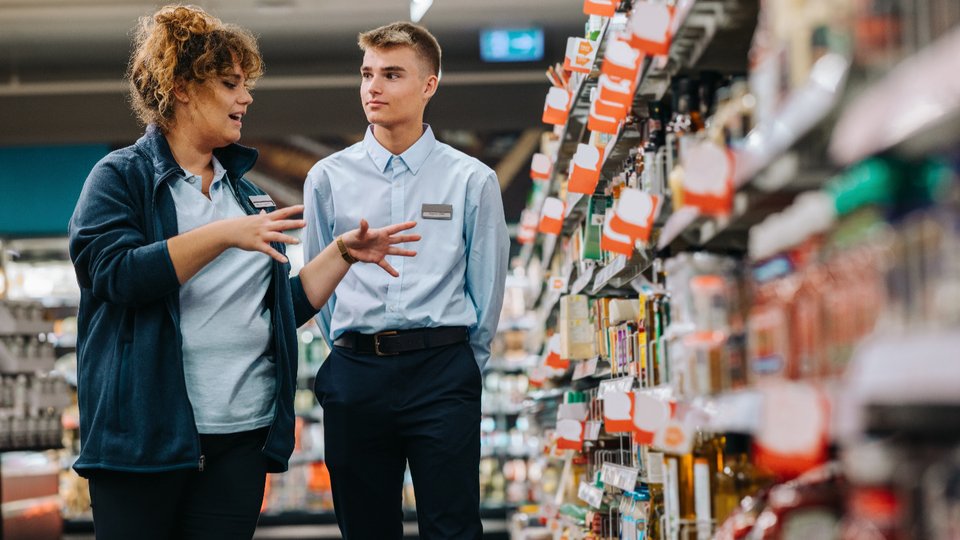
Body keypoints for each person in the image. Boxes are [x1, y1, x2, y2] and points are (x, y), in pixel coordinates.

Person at [67, 6, 419, 540]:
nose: (246, 98)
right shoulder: (122, 178)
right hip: (143, 441)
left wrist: (343, 253)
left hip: (240, 439)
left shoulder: (245, 193)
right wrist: (225, 235)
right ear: (182, 87)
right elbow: (113, 274)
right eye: (231, 84)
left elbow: (278, 311)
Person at [303, 21, 509, 540]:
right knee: (365, 529)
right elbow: (316, 284)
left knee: (453, 527)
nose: (373, 87)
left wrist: (462, 365)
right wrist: (352, 349)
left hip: (442, 373)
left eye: (392, 74)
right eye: (367, 73)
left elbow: (487, 292)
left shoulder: (471, 180)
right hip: (356, 372)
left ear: (428, 85)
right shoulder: (327, 178)